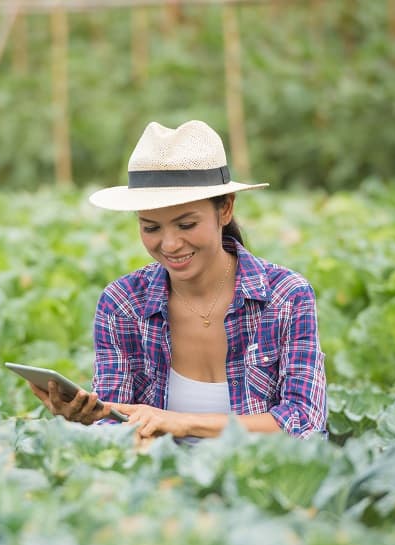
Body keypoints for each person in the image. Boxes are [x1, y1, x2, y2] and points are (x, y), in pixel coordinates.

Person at [29, 120, 327, 443]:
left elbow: (304, 421)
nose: (169, 244)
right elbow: (117, 424)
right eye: (151, 228)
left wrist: (181, 422)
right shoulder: (123, 303)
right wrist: (89, 420)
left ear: (225, 209)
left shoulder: (286, 297)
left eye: (186, 224)